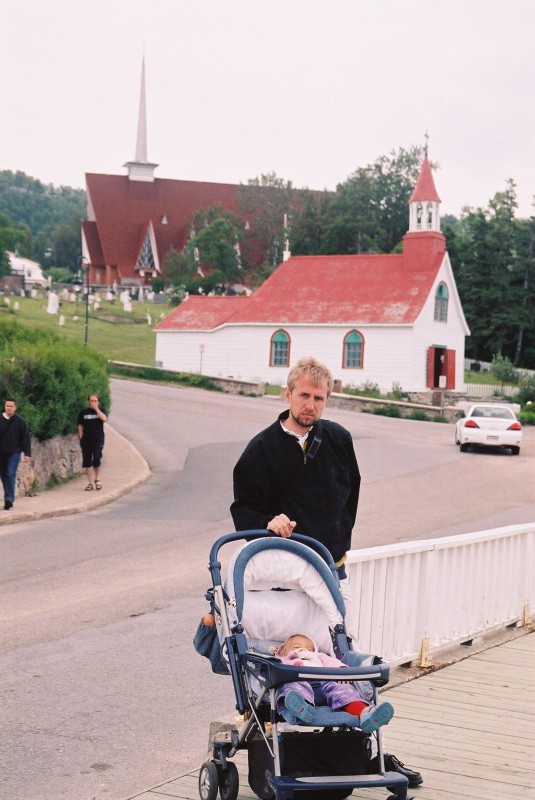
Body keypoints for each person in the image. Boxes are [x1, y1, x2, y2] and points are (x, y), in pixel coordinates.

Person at [230, 356, 423, 788]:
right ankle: (289, 727)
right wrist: (267, 522)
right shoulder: (260, 450)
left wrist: (337, 539)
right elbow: (244, 508)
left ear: (327, 399)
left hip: (330, 566)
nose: (311, 405)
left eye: (319, 398)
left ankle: (350, 744)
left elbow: (350, 494)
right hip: (284, 573)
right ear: (287, 394)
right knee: (288, 658)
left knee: (333, 652)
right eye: (304, 395)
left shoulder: (338, 439)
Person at [275, 634, 394, 733]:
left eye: (309, 649)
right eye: (296, 647)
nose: (303, 649)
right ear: (283, 651)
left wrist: (341, 670)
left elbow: (332, 662)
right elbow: (277, 671)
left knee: (344, 690)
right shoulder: (284, 660)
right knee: (292, 688)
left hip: (324, 683)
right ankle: (302, 708)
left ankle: (365, 713)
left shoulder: (319, 656)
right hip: (299, 684)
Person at [0, 399, 32, 511]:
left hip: (14, 452)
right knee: (4, 476)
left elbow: (25, 438)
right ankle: (8, 498)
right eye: (7, 406)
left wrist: (27, 453)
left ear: (15, 408)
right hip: (1, 452)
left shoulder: (20, 422)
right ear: (4, 406)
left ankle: (9, 498)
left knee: (10, 473)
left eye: (11, 406)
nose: (9, 408)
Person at [77, 394, 107, 491]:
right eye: (92, 401)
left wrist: (96, 409)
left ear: (98, 402)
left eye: (95, 401)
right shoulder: (83, 412)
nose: (93, 402)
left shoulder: (101, 410)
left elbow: (104, 419)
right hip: (86, 440)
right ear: (88, 402)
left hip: (98, 439)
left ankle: (97, 479)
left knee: (96, 459)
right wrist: (81, 437)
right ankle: (90, 483)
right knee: (87, 462)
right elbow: (80, 425)